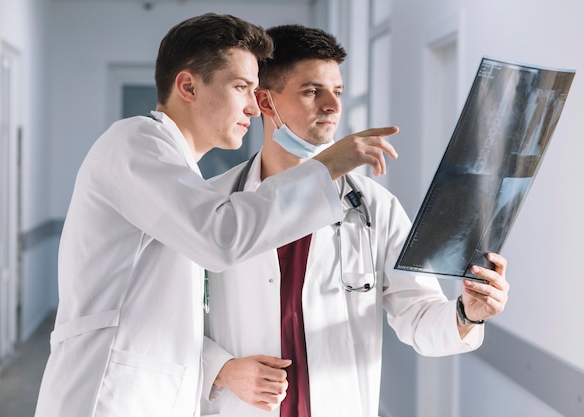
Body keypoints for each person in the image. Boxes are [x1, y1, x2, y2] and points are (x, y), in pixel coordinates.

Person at [33, 14, 400, 417]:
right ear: (188, 86)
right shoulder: (135, 143)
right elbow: (221, 237)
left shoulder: (182, 175)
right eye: (241, 87)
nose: (251, 105)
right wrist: (326, 165)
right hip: (107, 397)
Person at [200, 24, 510, 417]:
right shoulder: (212, 203)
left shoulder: (373, 207)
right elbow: (169, 321)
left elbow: (416, 315)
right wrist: (222, 371)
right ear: (265, 101)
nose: (332, 106)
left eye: (338, 92)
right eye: (312, 91)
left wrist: (468, 312)